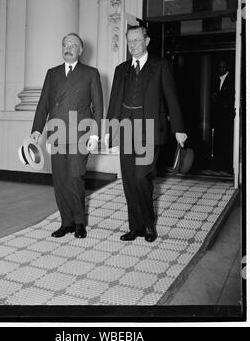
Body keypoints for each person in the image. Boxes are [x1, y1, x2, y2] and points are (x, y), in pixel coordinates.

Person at [105, 26, 187, 242]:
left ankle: (148, 225)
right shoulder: (121, 69)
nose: (133, 45)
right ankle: (135, 226)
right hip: (125, 130)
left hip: (150, 130)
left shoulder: (160, 66)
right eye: (129, 41)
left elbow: (172, 98)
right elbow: (114, 102)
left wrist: (179, 128)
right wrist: (110, 131)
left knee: (143, 178)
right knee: (129, 180)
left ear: (147, 40)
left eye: (137, 40)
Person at [31, 33, 103, 239]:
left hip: (80, 135)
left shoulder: (90, 73)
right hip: (56, 134)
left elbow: (98, 107)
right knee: (61, 180)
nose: (68, 48)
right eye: (65, 44)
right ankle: (66, 222)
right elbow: (43, 103)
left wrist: (95, 135)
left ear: (81, 50)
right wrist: (37, 131)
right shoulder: (52, 73)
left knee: (75, 178)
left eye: (73, 45)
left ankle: (79, 222)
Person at [212, 59, 235, 174]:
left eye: (223, 67)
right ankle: (219, 166)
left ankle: (228, 167)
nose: (221, 69)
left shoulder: (232, 79)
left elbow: (230, 98)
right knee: (219, 141)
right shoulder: (217, 79)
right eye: (220, 67)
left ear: (227, 67)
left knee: (227, 142)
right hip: (219, 116)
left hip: (227, 117)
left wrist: (220, 99)